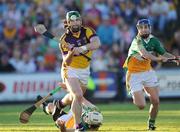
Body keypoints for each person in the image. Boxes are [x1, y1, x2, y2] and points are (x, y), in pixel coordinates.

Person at [34, 11, 101, 131]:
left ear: (80, 21)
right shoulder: (65, 39)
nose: (75, 23)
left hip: (85, 70)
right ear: (68, 23)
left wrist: (82, 48)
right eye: (72, 21)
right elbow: (66, 62)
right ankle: (78, 126)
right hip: (70, 70)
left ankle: (54, 107)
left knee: (74, 97)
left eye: (77, 20)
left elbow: (96, 43)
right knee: (78, 95)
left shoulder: (88, 31)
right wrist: (71, 53)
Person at [123, 18, 179, 130]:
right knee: (141, 105)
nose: (144, 30)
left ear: (150, 28)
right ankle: (137, 92)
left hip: (147, 72)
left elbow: (164, 53)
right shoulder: (137, 41)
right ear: (138, 30)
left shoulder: (154, 41)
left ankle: (151, 123)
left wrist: (174, 58)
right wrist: (159, 59)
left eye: (146, 27)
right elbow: (146, 55)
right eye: (141, 28)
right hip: (133, 74)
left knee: (156, 101)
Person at [36, 95, 103, 132]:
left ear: (88, 124)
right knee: (73, 96)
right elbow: (81, 98)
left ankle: (44, 107)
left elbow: (65, 131)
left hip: (66, 121)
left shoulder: (81, 129)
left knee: (50, 106)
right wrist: (70, 88)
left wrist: (62, 126)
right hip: (75, 113)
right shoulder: (96, 114)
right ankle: (59, 104)